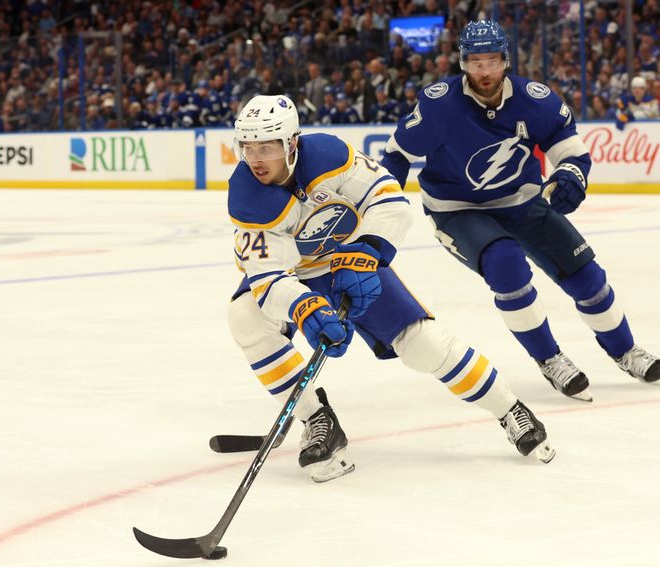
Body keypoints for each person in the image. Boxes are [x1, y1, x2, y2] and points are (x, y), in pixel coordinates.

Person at [226, 94, 555, 483]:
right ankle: (316, 419)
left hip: (352, 259)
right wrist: (306, 308)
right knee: (245, 317)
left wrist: (368, 252)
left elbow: (388, 199)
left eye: (267, 147)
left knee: (424, 344)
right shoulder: (248, 197)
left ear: (292, 143)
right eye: (248, 148)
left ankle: (509, 408)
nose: (256, 159)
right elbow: (267, 279)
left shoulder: (330, 157)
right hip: (298, 275)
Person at [380, 20, 660, 403]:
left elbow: (570, 148)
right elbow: (398, 153)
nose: (485, 71)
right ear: (463, 63)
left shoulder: (535, 99)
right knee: (506, 264)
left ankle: (625, 349)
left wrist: (570, 176)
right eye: (476, 61)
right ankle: (550, 359)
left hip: (522, 201)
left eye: (492, 60)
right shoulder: (439, 104)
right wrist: (380, 197)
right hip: (458, 209)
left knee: (587, 276)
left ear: (506, 60)